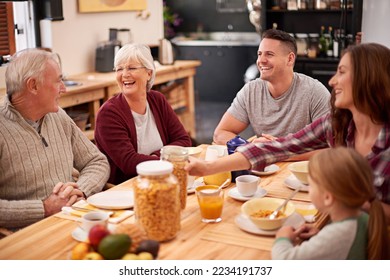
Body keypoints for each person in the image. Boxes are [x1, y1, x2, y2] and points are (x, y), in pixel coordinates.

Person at [186, 42, 390, 222]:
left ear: (369, 78)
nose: (333, 81)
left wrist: (346, 201)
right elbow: (278, 148)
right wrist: (206, 168)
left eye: (342, 72)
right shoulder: (337, 124)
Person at [0, 49, 110, 231]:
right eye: (58, 80)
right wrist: (44, 208)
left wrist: (80, 190)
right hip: (28, 236)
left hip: (74, 218)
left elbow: (97, 161)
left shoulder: (58, 116)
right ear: (33, 86)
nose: (64, 89)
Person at [95, 43, 191, 184]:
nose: (125, 74)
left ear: (149, 73)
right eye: (119, 69)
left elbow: (184, 141)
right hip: (127, 189)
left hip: (163, 181)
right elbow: (130, 163)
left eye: (132, 68)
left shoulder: (157, 100)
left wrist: (155, 156)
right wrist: (166, 157)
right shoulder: (108, 114)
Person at [213, 29, 330, 145]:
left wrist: (278, 149)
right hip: (266, 161)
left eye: (269, 54)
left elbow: (329, 145)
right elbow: (220, 133)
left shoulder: (315, 92)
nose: (261, 61)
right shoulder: (251, 91)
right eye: (260, 54)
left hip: (301, 163)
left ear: (290, 59)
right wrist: (250, 147)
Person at [272, 147, 388, 259]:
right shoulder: (363, 218)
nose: (308, 189)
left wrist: (282, 239)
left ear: (328, 197)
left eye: (311, 185)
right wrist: (320, 237)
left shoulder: (338, 235)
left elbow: (285, 260)